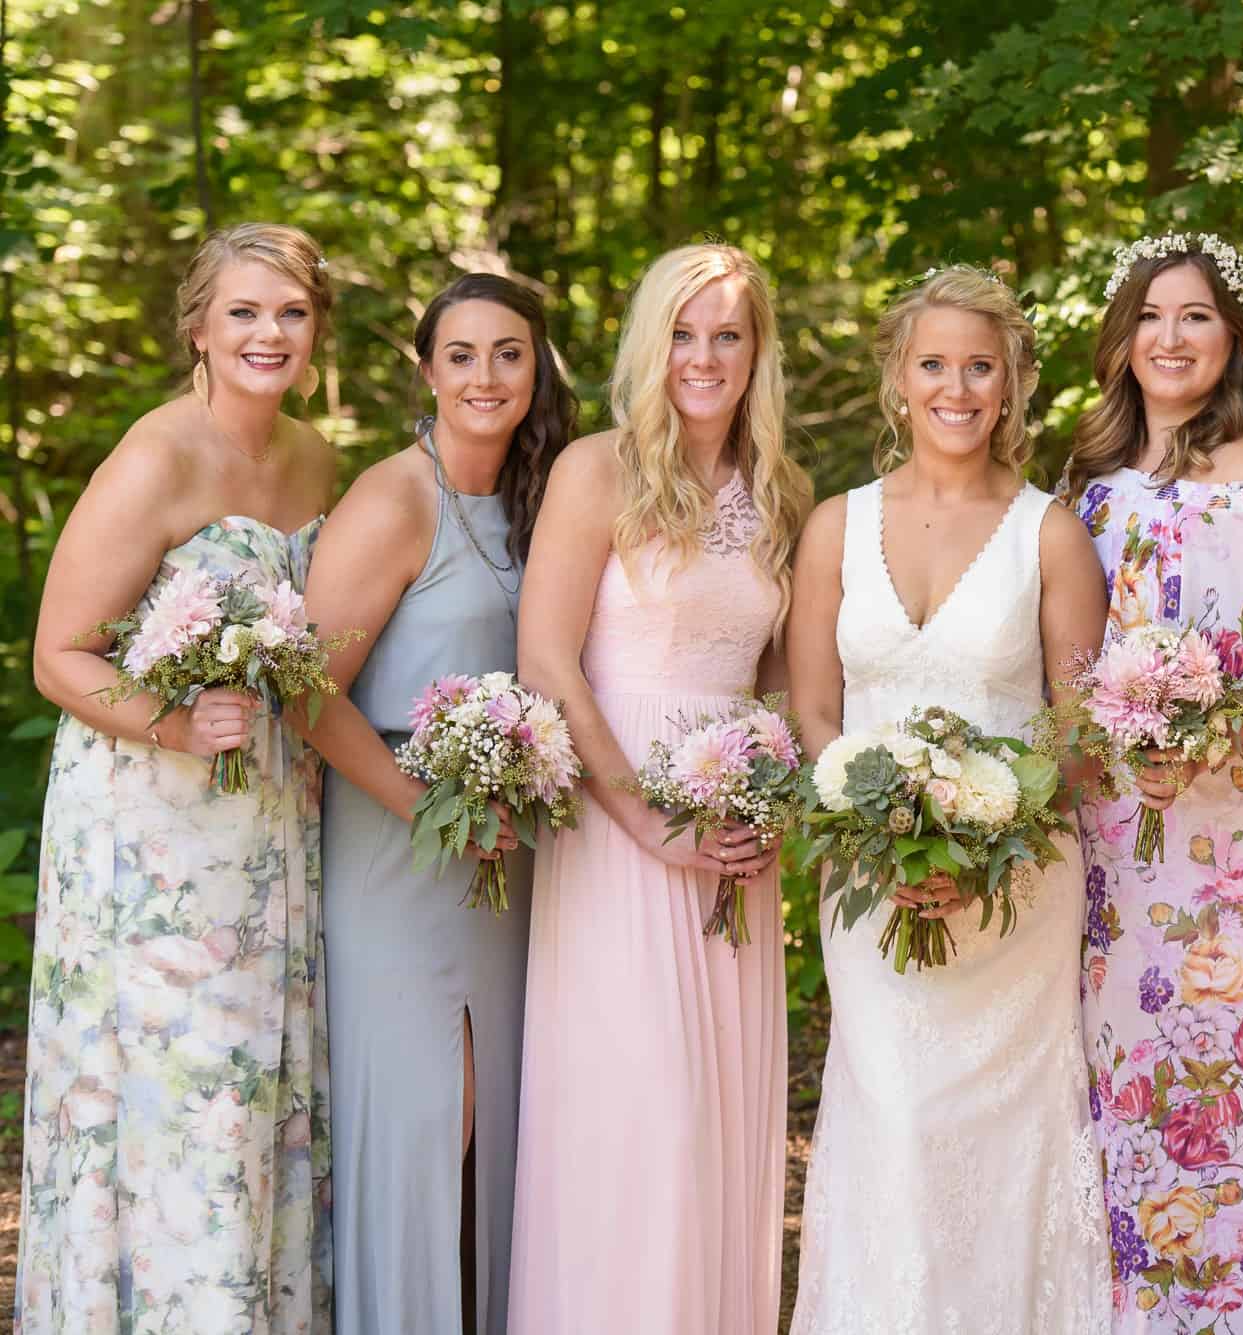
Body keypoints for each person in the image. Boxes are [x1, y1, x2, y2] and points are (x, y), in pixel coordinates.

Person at [20, 222, 337, 1331]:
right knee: (176, 1099)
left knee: (257, 1095)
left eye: (290, 314)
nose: (268, 333)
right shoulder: (154, 456)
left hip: (272, 820)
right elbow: (57, 654)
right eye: (244, 312)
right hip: (152, 835)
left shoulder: (314, 459)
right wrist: (174, 722)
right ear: (197, 327)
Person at [787, 265, 1113, 1333]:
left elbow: (1076, 737)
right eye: (934, 364)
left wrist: (987, 844)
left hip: (1015, 886)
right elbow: (814, 711)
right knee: (890, 1120)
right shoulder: (836, 525)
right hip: (870, 882)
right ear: (897, 377)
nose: (956, 388)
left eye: (979, 366)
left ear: (1012, 382)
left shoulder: (1047, 534)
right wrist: (883, 838)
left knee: (1000, 1140)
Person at [507, 243, 811, 1334]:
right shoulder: (599, 468)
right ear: (650, 345)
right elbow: (546, 657)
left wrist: (769, 796)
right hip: (615, 812)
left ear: (756, 352)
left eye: (728, 334)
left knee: (720, 1120)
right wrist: (644, 817)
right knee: (642, 1110)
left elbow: (777, 670)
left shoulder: (779, 490)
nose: (704, 356)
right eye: (683, 333)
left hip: (732, 819)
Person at [1061, 231, 1243, 1329]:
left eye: (1193, 316)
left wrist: (1216, 736)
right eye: (1149, 316)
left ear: (1230, 337)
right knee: (1127, 1100)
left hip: (1242, 850)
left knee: (1236, 1095)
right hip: (1119, 852)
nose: (1168, 338)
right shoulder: (1092, 474)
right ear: (1120, 340)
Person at [306, 272, 576, 1335]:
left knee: (499, 1123)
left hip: (508, 864)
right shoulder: (392, 498)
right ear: (425, 370)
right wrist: (423, 804)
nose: (485, 376)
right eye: (460, 354)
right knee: (429, 1119)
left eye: (508, 352)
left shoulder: (543, 497)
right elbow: (305, 693)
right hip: (396, 850)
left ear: (535, 369)